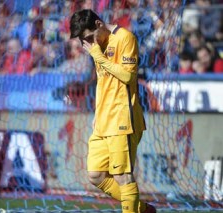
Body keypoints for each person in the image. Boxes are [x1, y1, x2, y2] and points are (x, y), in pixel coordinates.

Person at [69, 9, 156, 213]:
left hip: (122, 117)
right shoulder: (98, 46)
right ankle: (142, 209)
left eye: (90, 37)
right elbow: (104, 83)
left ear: (99, 24)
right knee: (96, 175)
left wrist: (99, 57)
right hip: (102, 119)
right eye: (84, 41)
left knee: (123, 176)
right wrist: (97, 113)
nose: (89, 43)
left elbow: (128, 77)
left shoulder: (125, 38)